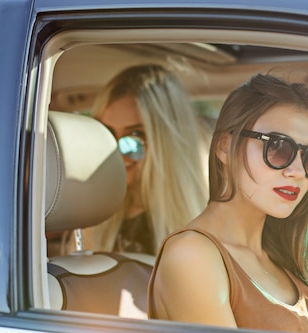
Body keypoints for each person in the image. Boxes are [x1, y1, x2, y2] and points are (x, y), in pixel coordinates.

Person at [147, 74, 308, 333]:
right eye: (278, 148)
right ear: (224, 146)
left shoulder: (291, 256)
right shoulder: (192, 255)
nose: (298, 171)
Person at [65, 64, 209, 255]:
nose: (117, 152)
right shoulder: (92, 219)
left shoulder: (201, 230)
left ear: (167, 144)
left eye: (135, 135)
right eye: (107, 134)